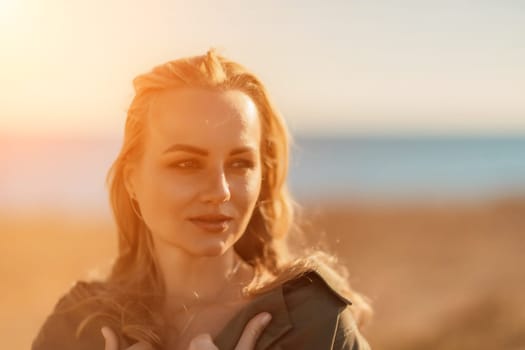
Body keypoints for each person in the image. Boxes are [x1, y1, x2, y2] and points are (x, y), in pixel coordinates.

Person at [32, 49, 372, 350]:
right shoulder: (77, 327)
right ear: (132, 179)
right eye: (186, 163)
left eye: (240, 164)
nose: (220, 191)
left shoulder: (314, 325)